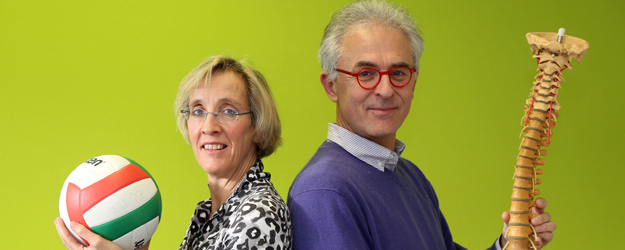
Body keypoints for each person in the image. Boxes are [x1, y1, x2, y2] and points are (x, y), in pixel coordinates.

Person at [287, 1, 556, 250]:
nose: (385, 89)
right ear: (331, 85)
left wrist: (508, 242)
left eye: (399, 73)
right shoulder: (324, 193)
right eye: (365, 74)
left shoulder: (409, 175)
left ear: (413, 83)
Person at [54, 56, 292, 250]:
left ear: (258, 128)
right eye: (198, 111)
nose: (209, 127)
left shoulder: (259, 215)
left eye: (228, 111)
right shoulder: (211, 212)